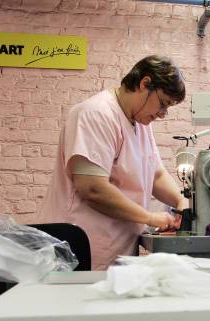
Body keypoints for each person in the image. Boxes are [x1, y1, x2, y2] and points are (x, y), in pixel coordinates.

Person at [39, 55, 189, 270]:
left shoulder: (141, 124)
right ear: (144, 83)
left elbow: (155, 174)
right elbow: (93, 188)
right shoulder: (96, 114)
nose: (163, 114)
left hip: (113, 249)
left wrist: (181, 202)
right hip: (78, 248)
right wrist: (150, 217)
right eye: (162, 104)